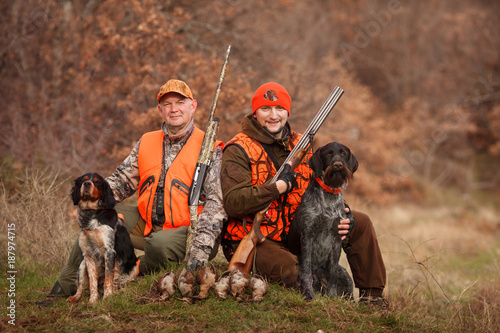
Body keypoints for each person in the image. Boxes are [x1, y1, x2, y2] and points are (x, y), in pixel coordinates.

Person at [40, 79, 227, 303]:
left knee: (159, 245)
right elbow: (121, 181)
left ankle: (132, 271)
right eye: (167, 104)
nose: (174, 109)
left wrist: (203, 244)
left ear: (193, 106)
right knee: (96, 218)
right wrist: (89, 197)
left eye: (180, 102)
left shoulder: (209, 147)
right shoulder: (147, 141)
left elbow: (216, 203)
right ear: (160, 110)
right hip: (146, 225)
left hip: (187, 231)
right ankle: (65, 286)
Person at [220, 82, 387, 307]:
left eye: (279, 109)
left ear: (287, 112)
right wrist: (277, 187)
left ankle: (372, 298)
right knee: (295, 271)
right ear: (254, 112)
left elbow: (322, 185)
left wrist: (344, 211)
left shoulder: (302, 144)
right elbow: (233, 202)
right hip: (257, 237)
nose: (273, 115)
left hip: (296, 230)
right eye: (265, 109)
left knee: (362, 222)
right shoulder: (238, 148)